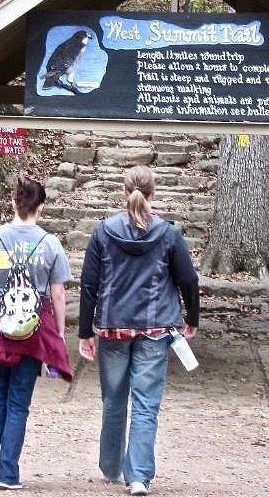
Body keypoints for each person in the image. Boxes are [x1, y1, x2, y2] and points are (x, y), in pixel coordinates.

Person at [78, 165, 200, 497]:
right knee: (146, 402)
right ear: (153, 193)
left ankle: (111, 466)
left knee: (113, 399)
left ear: (123, 192)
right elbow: (188, 280)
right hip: (155, 329)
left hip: (113, 328)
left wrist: (85, 333)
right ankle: (138, 477)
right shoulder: (168, 234)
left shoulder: (103, 232)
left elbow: (89, 286)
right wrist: (193, 317)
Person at [0, 174, 73, 490]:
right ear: (41, 207)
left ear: (14, 202)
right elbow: (58, 293)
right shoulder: (50, 244)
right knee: (19, 402)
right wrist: (60, 333)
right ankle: (8, 473)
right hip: (31, 332)